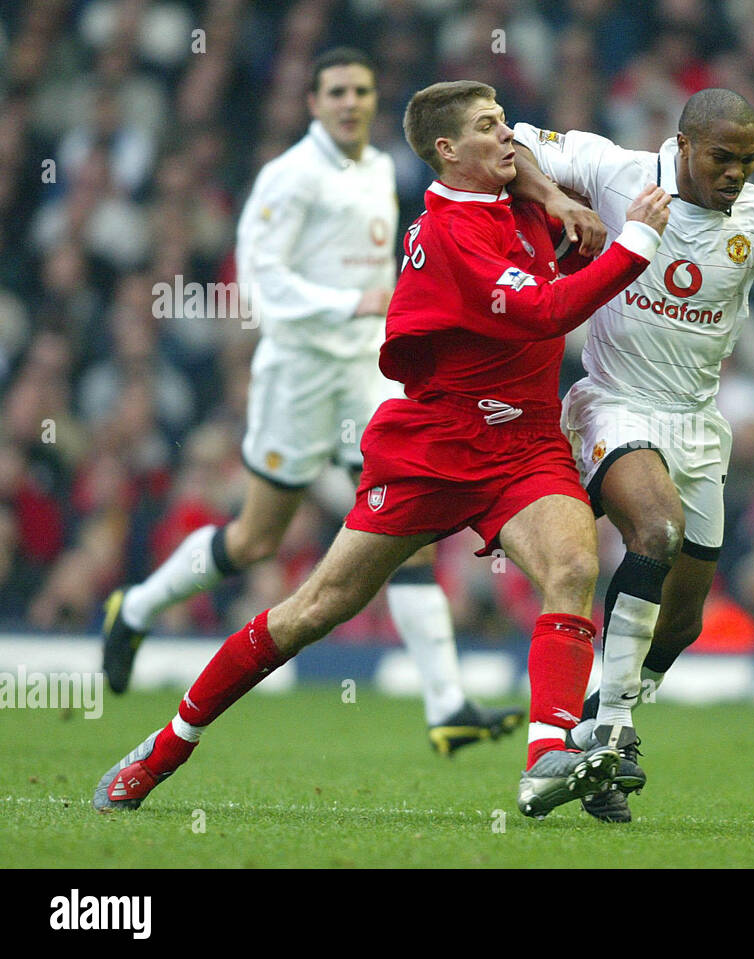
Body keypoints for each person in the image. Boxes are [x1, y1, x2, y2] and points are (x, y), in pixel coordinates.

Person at [93, 79, 672, 821]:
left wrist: (555, 199)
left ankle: (545, 758)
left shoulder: (513, 185)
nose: (508, 137)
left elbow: (526, 152)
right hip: (435, 448)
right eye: (489, 128)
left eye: (503, 125)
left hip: (524, 441)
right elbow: (544, 309)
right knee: (312, 609)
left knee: (575, 563)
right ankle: (165, 746)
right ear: (446, 150)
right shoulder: (449, 236)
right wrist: (636, 244)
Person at [100, 48, 524, 756]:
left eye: (361, 89)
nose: (351, 102)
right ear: (313, 101)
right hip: (297, 374)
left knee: (408, 520)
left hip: (363, 370)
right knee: (255, 539)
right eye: (336, 91)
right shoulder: (288, 177)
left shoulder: (382, 166)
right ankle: (136, 605)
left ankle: (447, 705)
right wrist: (350, 300)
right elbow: (259, 284)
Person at [510, 88, 754, 821]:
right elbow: (517, 141)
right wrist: (556, 202)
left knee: (682, 621)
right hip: (612, 404)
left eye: (748, 161)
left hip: (697, 423)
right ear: (683, 144)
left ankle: (602, 712)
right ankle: (611, 734)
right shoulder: (616, 170)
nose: (737, 174)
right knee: (655, 530)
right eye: (723, 158)